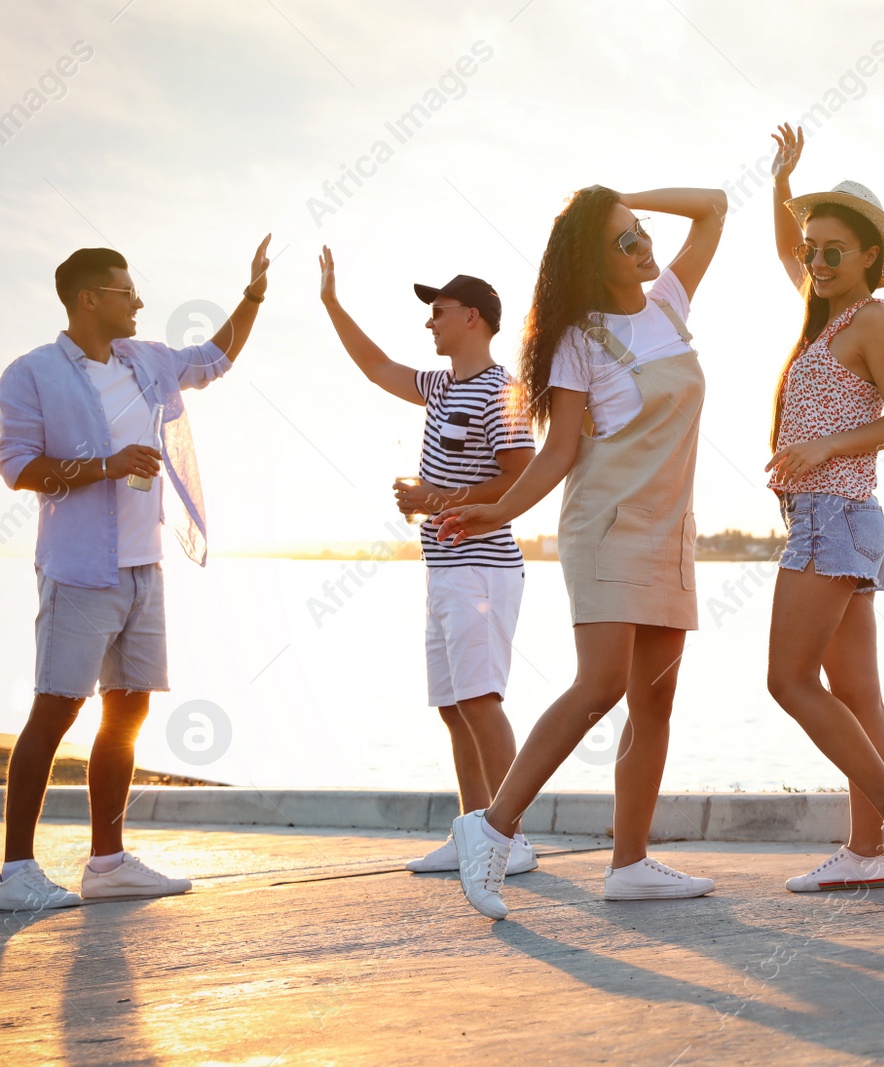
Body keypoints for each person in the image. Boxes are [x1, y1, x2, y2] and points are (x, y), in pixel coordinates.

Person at [435, 185, 725, 919]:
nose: (641, 246)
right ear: (595, 263)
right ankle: (491, 827)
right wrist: (497, 509)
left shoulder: (667, 306)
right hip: (606, 526)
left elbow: (715, 206)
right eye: (623, 240)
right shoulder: (580, 339)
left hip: (669, 529)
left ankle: (629, 863)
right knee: (600, 685)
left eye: (639, 234)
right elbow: (561, 448)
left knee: (654, 697)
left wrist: (616, 198)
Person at [0, 240, 272, 911]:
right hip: (79, 570)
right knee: (56, 708)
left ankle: (108, 860)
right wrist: (105, 464)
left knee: (129, 707)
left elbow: (213, 359)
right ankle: (15, 871)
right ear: (89, 299)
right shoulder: (33, 374)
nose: (139, 303)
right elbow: (17, 466)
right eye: (127, 292)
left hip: (142, 568)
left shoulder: (145, 360)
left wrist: (254, 295)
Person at [317, 254, 541, 878]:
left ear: (472, 318)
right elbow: (376, 367)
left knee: (480, 700)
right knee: (454, 707)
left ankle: (511, 836)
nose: (429, 324)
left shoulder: (505, 392)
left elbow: (519, 479)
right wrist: (333, 303)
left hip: (483, 570)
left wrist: (431, 499)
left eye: (437, 313)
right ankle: (477, 833)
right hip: (444, 571)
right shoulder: (441, 388)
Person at [763, 125, 884, 895]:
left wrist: (822, 447)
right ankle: (866, 853)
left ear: (868, 256)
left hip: (834, 514)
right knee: (858, 694)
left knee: (789, 680)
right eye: (813, 250)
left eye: (835, 251)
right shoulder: (826, 316)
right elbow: (785, 249)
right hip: (837, 517)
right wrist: (781, 184)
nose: (818, 262)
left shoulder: (873, 319)